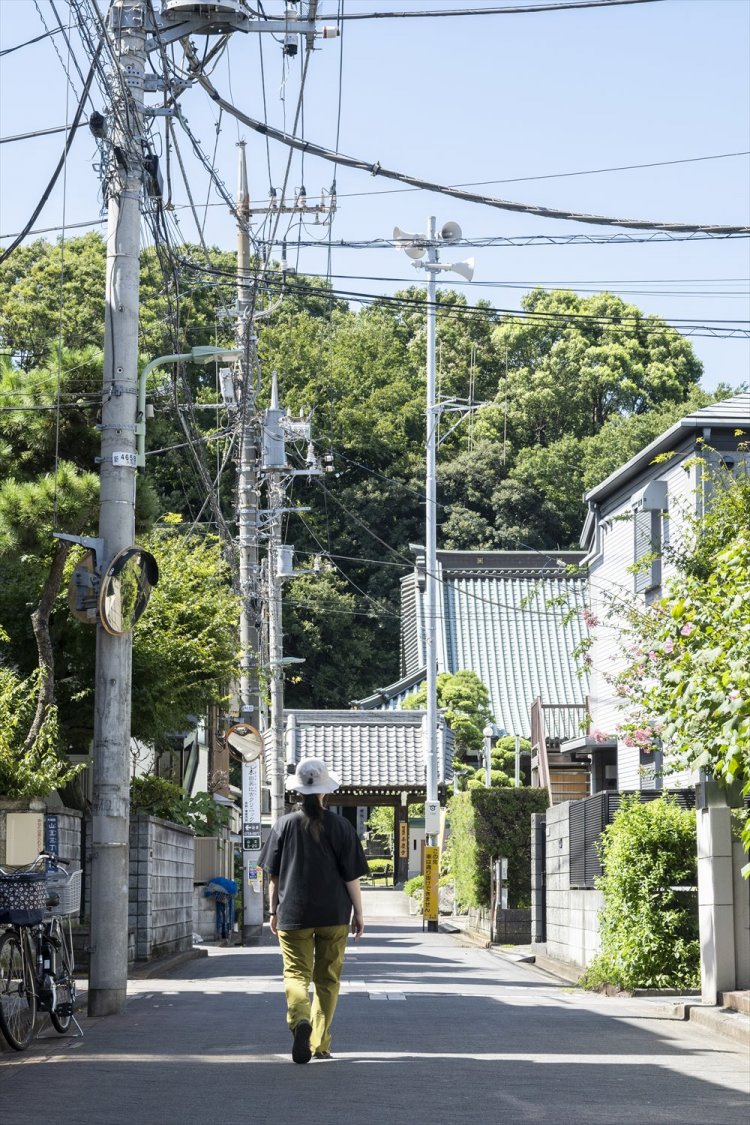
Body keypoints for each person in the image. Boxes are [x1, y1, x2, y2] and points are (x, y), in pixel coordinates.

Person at [258, 757, 369, 1064]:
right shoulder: (342, 826)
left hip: (294, 914)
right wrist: (358, 913)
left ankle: (300, 1020)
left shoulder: (283, 825)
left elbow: (274, 876)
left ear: (297, 791)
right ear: (325, 791)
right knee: (328, 979)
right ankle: (319, 1043)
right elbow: (351, 877)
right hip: (334, 914)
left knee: (296, 973)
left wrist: (272, 911)